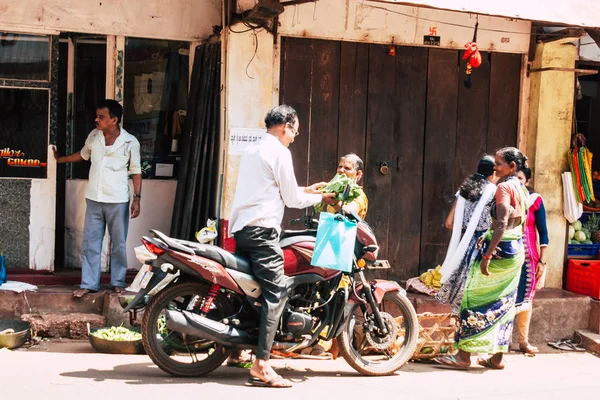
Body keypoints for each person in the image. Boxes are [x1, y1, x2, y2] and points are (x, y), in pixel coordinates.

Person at [228, 105, 335, 388]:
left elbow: (275, 189)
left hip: (242, 229)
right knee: (276, 292)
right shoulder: (279, 151)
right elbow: (290, 198)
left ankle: (234, 350)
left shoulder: (253, 149)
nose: (294, 136)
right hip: (263, 232)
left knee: (248, 291)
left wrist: (310, 191)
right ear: (286, 125)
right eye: (295, 131)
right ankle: (262, 364)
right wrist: (322, 197)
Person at [436, 147, 529, 370]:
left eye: (499, 164)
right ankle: (496, 358)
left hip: (498, 249)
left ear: (512, 166)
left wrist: (487, 255)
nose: (496, 168)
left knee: (473, 297)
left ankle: (463, 356)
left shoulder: (504, 187)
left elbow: (501, 222)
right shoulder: (522, 188)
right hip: (516, 249)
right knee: (505, 302)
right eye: (494, 164)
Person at [54, 99, 142, 298]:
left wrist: (137, 198)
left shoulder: (129, 142)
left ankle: (118, 281)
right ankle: (89, 283)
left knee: (118, 244)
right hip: (94, 198)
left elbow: (136, 172)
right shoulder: (94, 136)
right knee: (91, 243)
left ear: (114, 119)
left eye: (101, 117)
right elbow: (83, 155)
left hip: (118, 200)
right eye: (97, 116)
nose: (96, 120)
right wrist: (61, 160)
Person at [436, 155, 497, 314]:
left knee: (459, 283)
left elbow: (449, 223)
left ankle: (455, 323)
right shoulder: (493, 193)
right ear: (493, 173)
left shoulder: (464, 191)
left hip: (464, 245)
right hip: (483, 243)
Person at [514, 166, 548, 354]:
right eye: (514, 177)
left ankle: (523, 341)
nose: (517, 181)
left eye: (520, 178)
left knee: (527, 299)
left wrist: (542, 262)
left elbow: (543, 232)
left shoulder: (535, 200)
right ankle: (499, 344)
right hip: (507, 256)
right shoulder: (506, 197)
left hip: (529, 258)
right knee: (506, 298)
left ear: (527, 181)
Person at [322, 153, 368, 219]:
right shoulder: (335, 191)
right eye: (340, 167)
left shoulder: (358, 195)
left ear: (358, 174)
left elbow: (350, 211)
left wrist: (333, 202)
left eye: (347, 168)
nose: (341, 170)